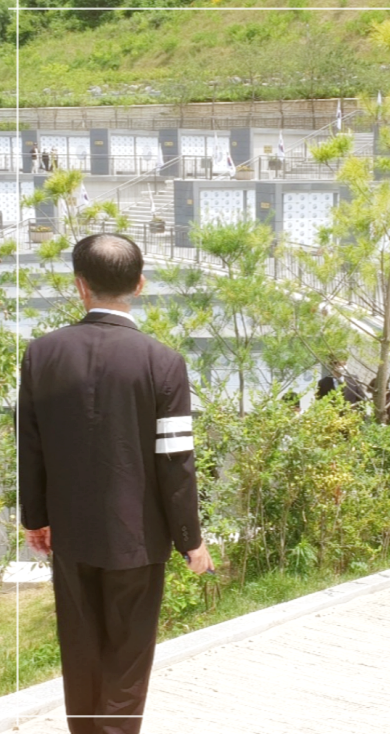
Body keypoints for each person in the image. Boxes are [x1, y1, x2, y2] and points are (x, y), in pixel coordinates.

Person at [19, 233, 214, 734]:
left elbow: (30, 446)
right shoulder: (162, 361)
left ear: (80, 285)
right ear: (140, 284)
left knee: (79, 651)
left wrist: (35, 520)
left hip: (70, 535)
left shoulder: (41, 354)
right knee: (127, 660)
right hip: (139, 539)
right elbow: (176, 461)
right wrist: (190, 539)